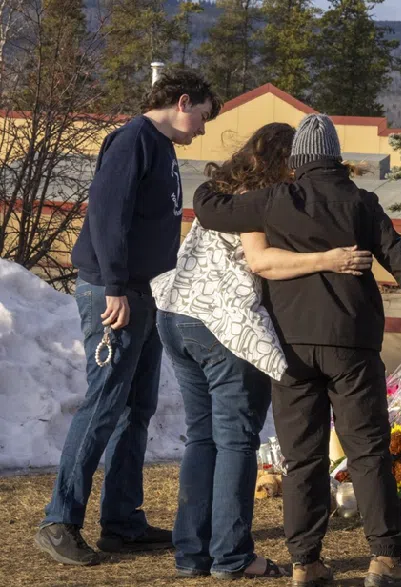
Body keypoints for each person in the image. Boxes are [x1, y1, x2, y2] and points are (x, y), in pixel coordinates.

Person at [193, 113, 401, 587]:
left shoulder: (274, 201)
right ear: (335, 158)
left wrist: (229, 171)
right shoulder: (361, 203)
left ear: (298, 161)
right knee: (367, 452)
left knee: (303, 457)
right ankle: (386, 559)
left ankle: (307, 563)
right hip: (352, 344)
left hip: (292, 347)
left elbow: (207, 209)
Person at [150, 122, 373, 580]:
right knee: (235, 440)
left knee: (203, 437)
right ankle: (232, 555)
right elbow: (260, 261)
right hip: (222, 327)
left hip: (176, 315)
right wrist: (328, 259)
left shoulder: (226, 190)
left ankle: (192, 553)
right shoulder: (261, 194)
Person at [35, 68, 222, 566]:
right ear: (183, 101)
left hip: (146, 293)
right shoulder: (133, 142)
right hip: (114, 293)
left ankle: (121, 522)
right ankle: (59, 521)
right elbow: (106, 215)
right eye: (202, 116)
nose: (202, 128)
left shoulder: (161, 148)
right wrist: (115, 285)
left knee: (137, 409)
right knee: (104, 404)